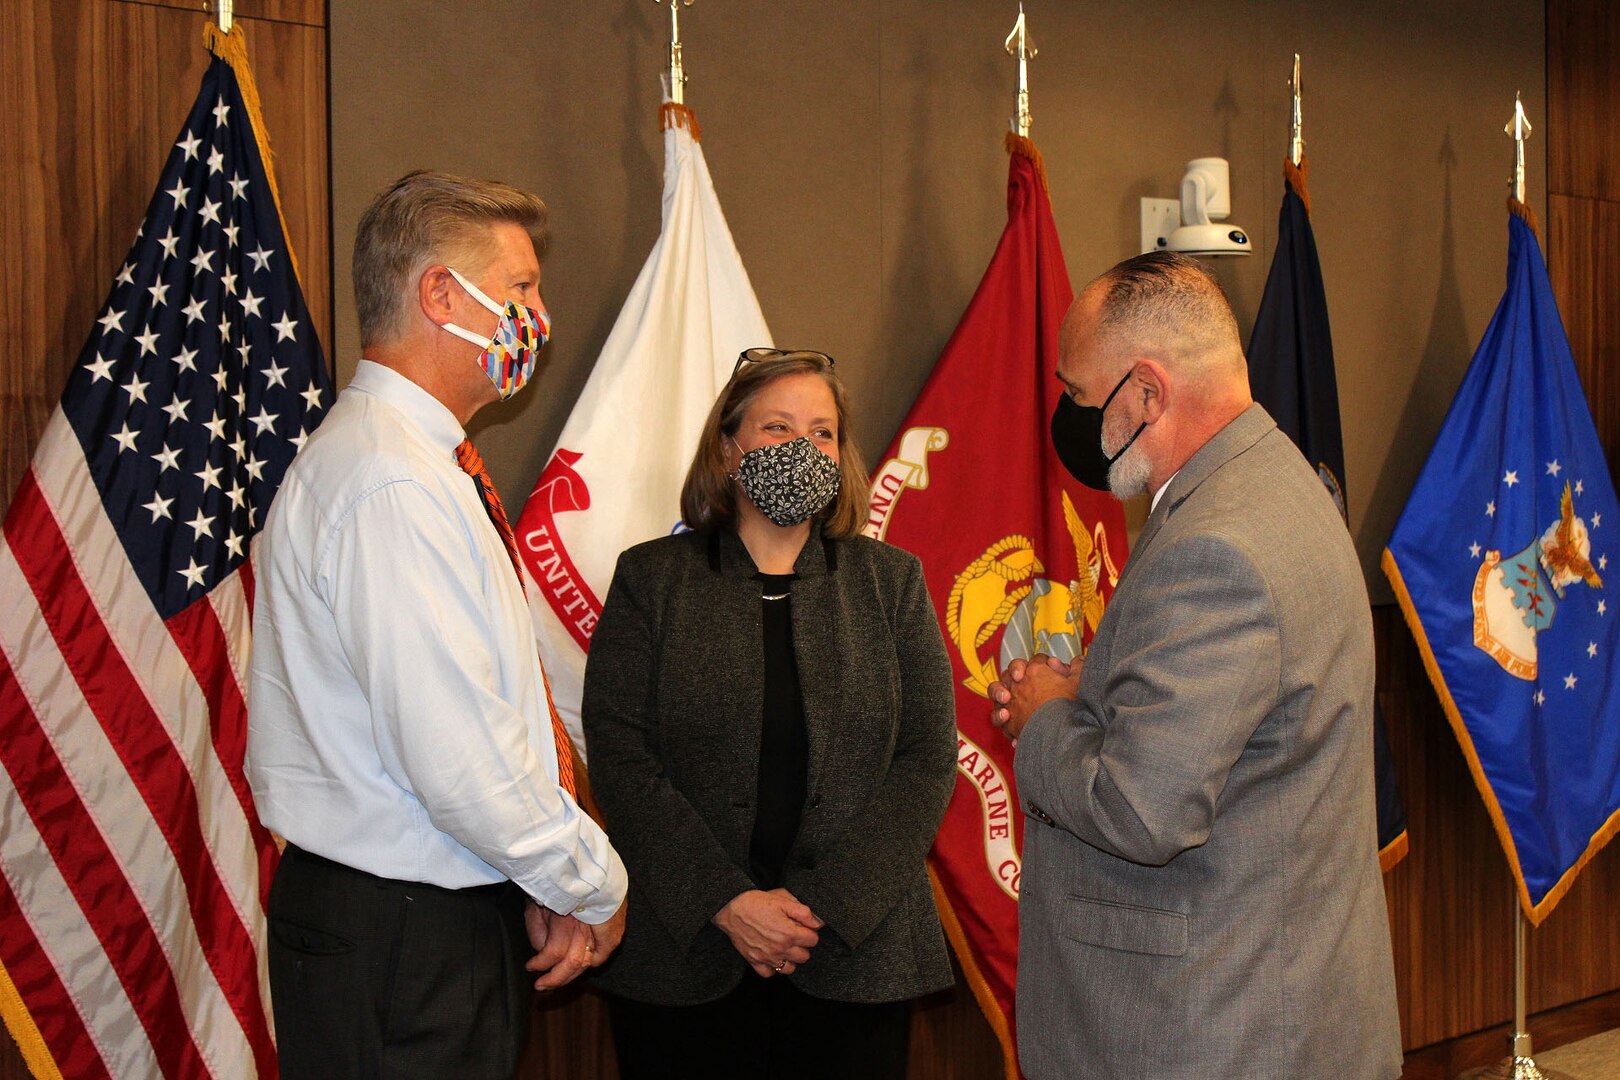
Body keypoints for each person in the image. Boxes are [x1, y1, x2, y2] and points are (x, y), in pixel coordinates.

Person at [247, 171, 627, 1078]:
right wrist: (590, 882)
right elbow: (458, 756)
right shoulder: (392, 482)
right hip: (402, 937)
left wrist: (529, 875)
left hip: (416, 920)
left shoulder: (412, 462)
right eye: (524, 287)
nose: (541, 312)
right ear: (441, 296)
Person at [990, 252, 1402, 1079]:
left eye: (1076, 393)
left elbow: (1144, 812)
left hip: (1209, 1030)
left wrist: (1046, 718)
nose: (1066, 413)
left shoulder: (1215, 547)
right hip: (1268, 1007)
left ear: (1146, 393)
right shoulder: (1277, 483)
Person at [581, 349, 957, 1079]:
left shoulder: (892, 583)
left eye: (822, 433)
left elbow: (926, 757)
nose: (804, 449)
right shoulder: (652, 581)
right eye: (778, 427)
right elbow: (621, 754)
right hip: (687, 960)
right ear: (729, 450)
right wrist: (726, 901)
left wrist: (820, 908)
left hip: (854, 955)